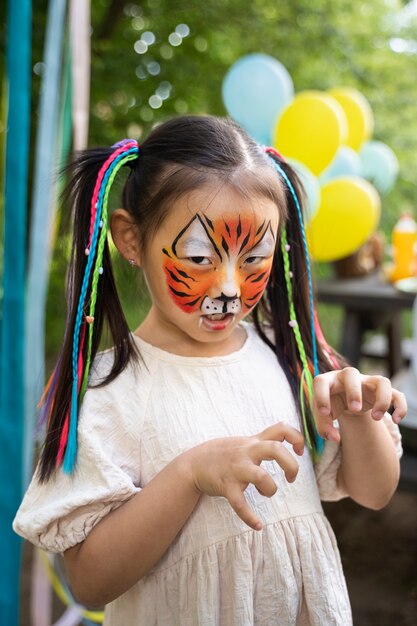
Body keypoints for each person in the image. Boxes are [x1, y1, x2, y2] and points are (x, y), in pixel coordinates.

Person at [14, 115, 405, 626]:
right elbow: (88, 584)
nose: (229, 288)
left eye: (255, 258)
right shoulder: (109, 393)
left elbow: (375, 492)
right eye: (199, 256)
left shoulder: (288, 360)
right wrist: (189, 475)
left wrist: (357, 417)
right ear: (131, 240)